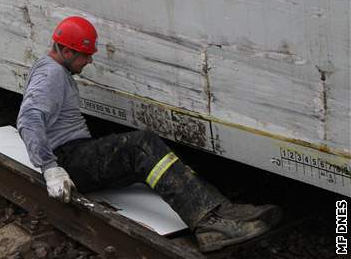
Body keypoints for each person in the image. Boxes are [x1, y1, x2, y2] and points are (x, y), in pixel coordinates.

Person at [17, 16, 283, 253]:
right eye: (85, 55)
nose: (89, 60)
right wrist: (50, 168)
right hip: (68, 161)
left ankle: (221, 210)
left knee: (155, 157)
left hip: (75, 154)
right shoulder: (50, 74)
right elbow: (28, 119)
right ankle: (209, 225)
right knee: (141, 145)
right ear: (65, 50)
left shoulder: (54, 70)